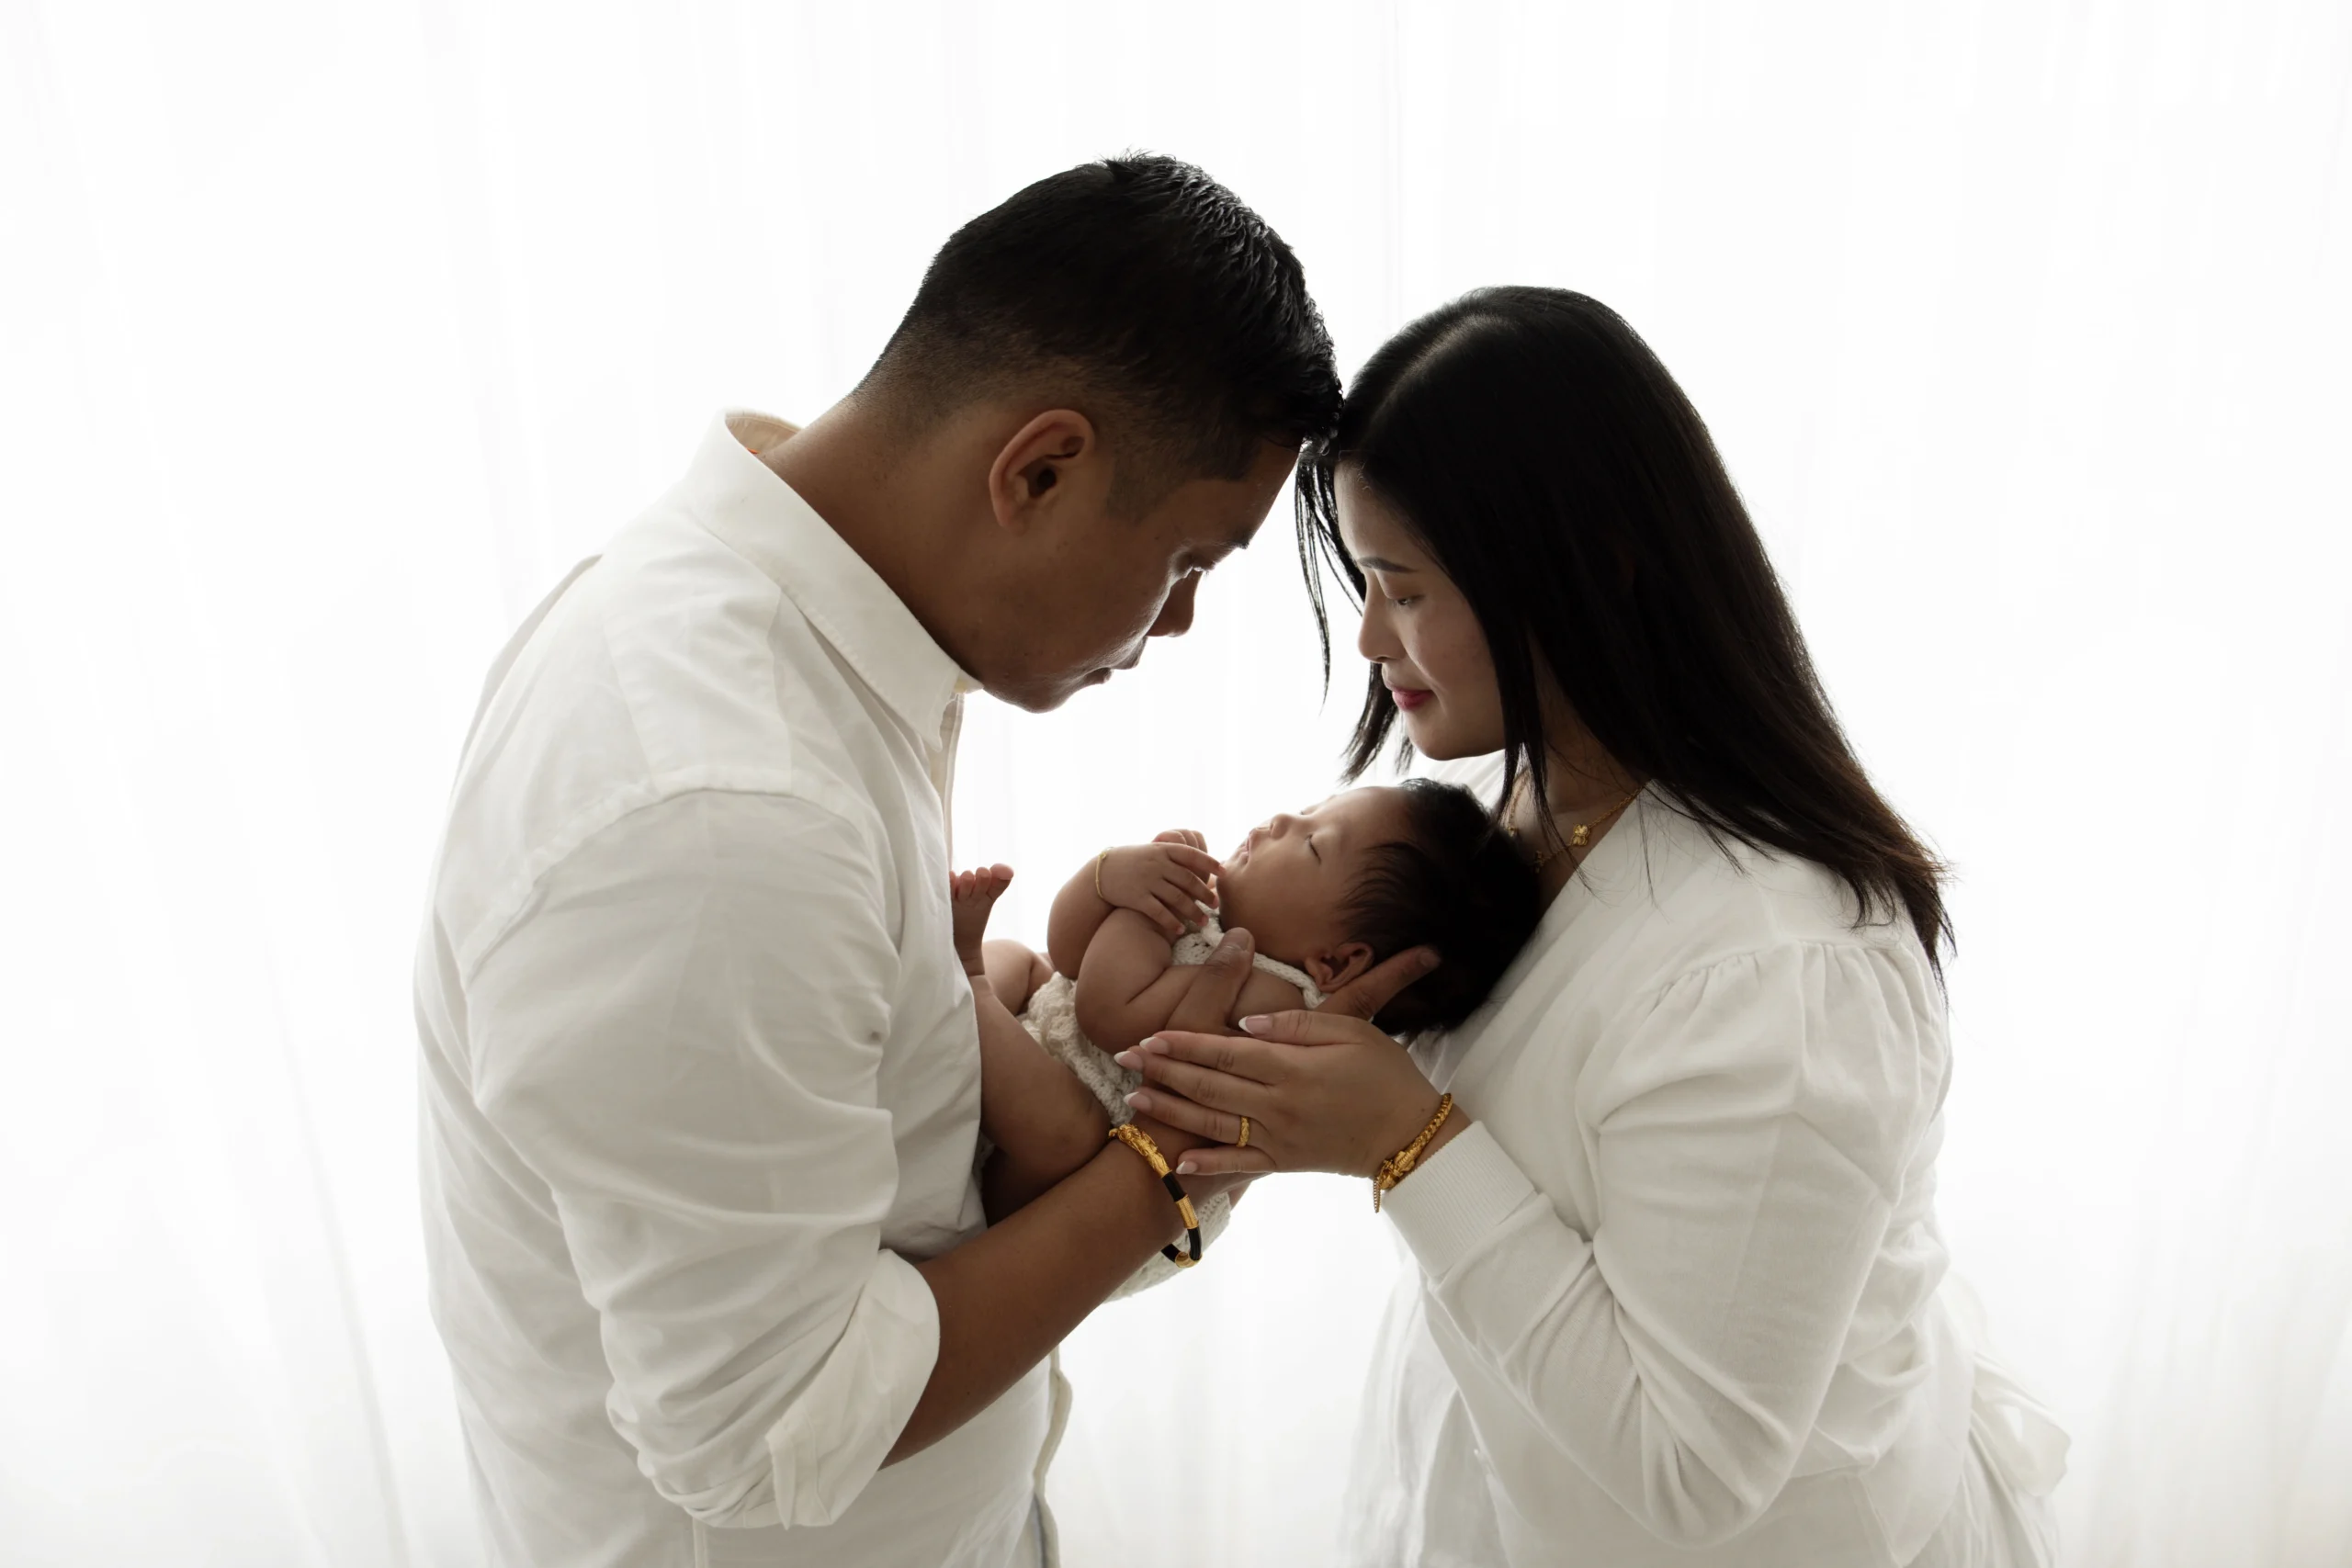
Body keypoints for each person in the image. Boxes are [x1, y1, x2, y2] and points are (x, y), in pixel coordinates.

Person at [412, 155, 1432, 1568]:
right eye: (1189, 559)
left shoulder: (816, 651)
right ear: (1040, 468)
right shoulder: (716, 808)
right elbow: (772, 1426)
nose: (1181, 623)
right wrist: (1179, 1159)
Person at [1121, 287, 2070, 1567]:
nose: (1369, 634)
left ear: (1594, 562)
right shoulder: (1499, 819)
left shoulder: (1780, 967)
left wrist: (1403, 1141)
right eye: (1364, 581)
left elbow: (1691, 1471)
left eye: (1404, 587)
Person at [950, 780, 1541, 1293]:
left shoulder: (1272, 1004)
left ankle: (969, 980)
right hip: (1047, 1051)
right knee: (1024, 961)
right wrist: (1108, 877)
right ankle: (968, 982)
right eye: (1307, 811)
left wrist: (1144, 911)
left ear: (1336, 963)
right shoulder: (1221, 921)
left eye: (1312, 843)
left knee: (1061, 1129)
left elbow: (1108, 1010)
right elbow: (1070, 955)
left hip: (1065, 1181)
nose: (1281, 820)